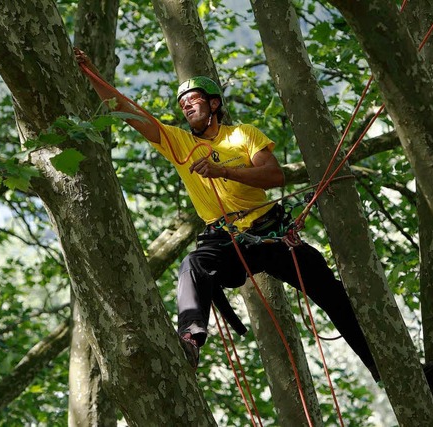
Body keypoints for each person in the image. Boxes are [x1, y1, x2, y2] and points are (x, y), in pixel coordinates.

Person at [74, 48, 380, 378]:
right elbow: (128, 112)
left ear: (214, 104)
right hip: (225, 241)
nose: (186, 106)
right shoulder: (178, 142)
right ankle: (190, 338)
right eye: (182, 104)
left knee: (333, 294)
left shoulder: (242, 135)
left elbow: (273, 176)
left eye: (193, 99)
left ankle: (385, 367)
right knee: (193, 264)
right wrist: (94, 76)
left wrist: (226, 172)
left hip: (270, 233)